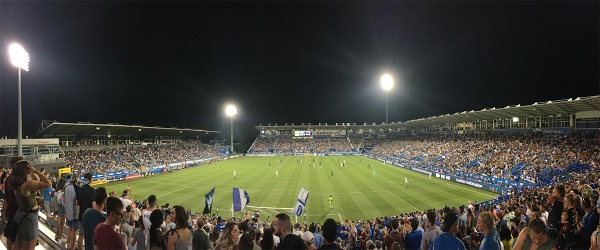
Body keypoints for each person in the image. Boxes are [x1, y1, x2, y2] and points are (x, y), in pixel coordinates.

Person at [11, 160, 52, 250]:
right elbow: (48, 183)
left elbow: (37, 180)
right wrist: (35, 171)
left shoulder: (18, 182)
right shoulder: (28, 184)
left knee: (18, 244)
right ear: (25, 170)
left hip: (20, 215)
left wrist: (32, 172)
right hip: (29, 218)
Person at [3, 156, 23, 250]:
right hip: (18, 211)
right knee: (17, 238)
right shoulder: (19, 179)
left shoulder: (6, 179)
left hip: (10, 210)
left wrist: (5, 210)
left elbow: (6, 198)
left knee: (10, 235)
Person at [76, 173, 95, 250]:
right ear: (90, 180)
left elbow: (77, 203)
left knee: (81, 236)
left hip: (81, 216)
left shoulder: (79, 190)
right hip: (89, 217)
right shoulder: (92, 191)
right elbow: (94, 206)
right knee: (89, 238)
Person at [65, 175, 80, 250]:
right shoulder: (76, 187)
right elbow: (78, 201)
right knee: (74, 230)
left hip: (68, 211)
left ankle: (68, 244)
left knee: (69, 228)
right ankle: (72, 247)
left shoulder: (66, 187)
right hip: (74, 212)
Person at [55, 178, 67, 243]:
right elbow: (63, 203)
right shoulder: (62, 192)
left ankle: (56, 235)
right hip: (62, 208)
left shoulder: (57, 191)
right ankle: (60, 238)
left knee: (60, 223)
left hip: (58, 207)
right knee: (62, 223)